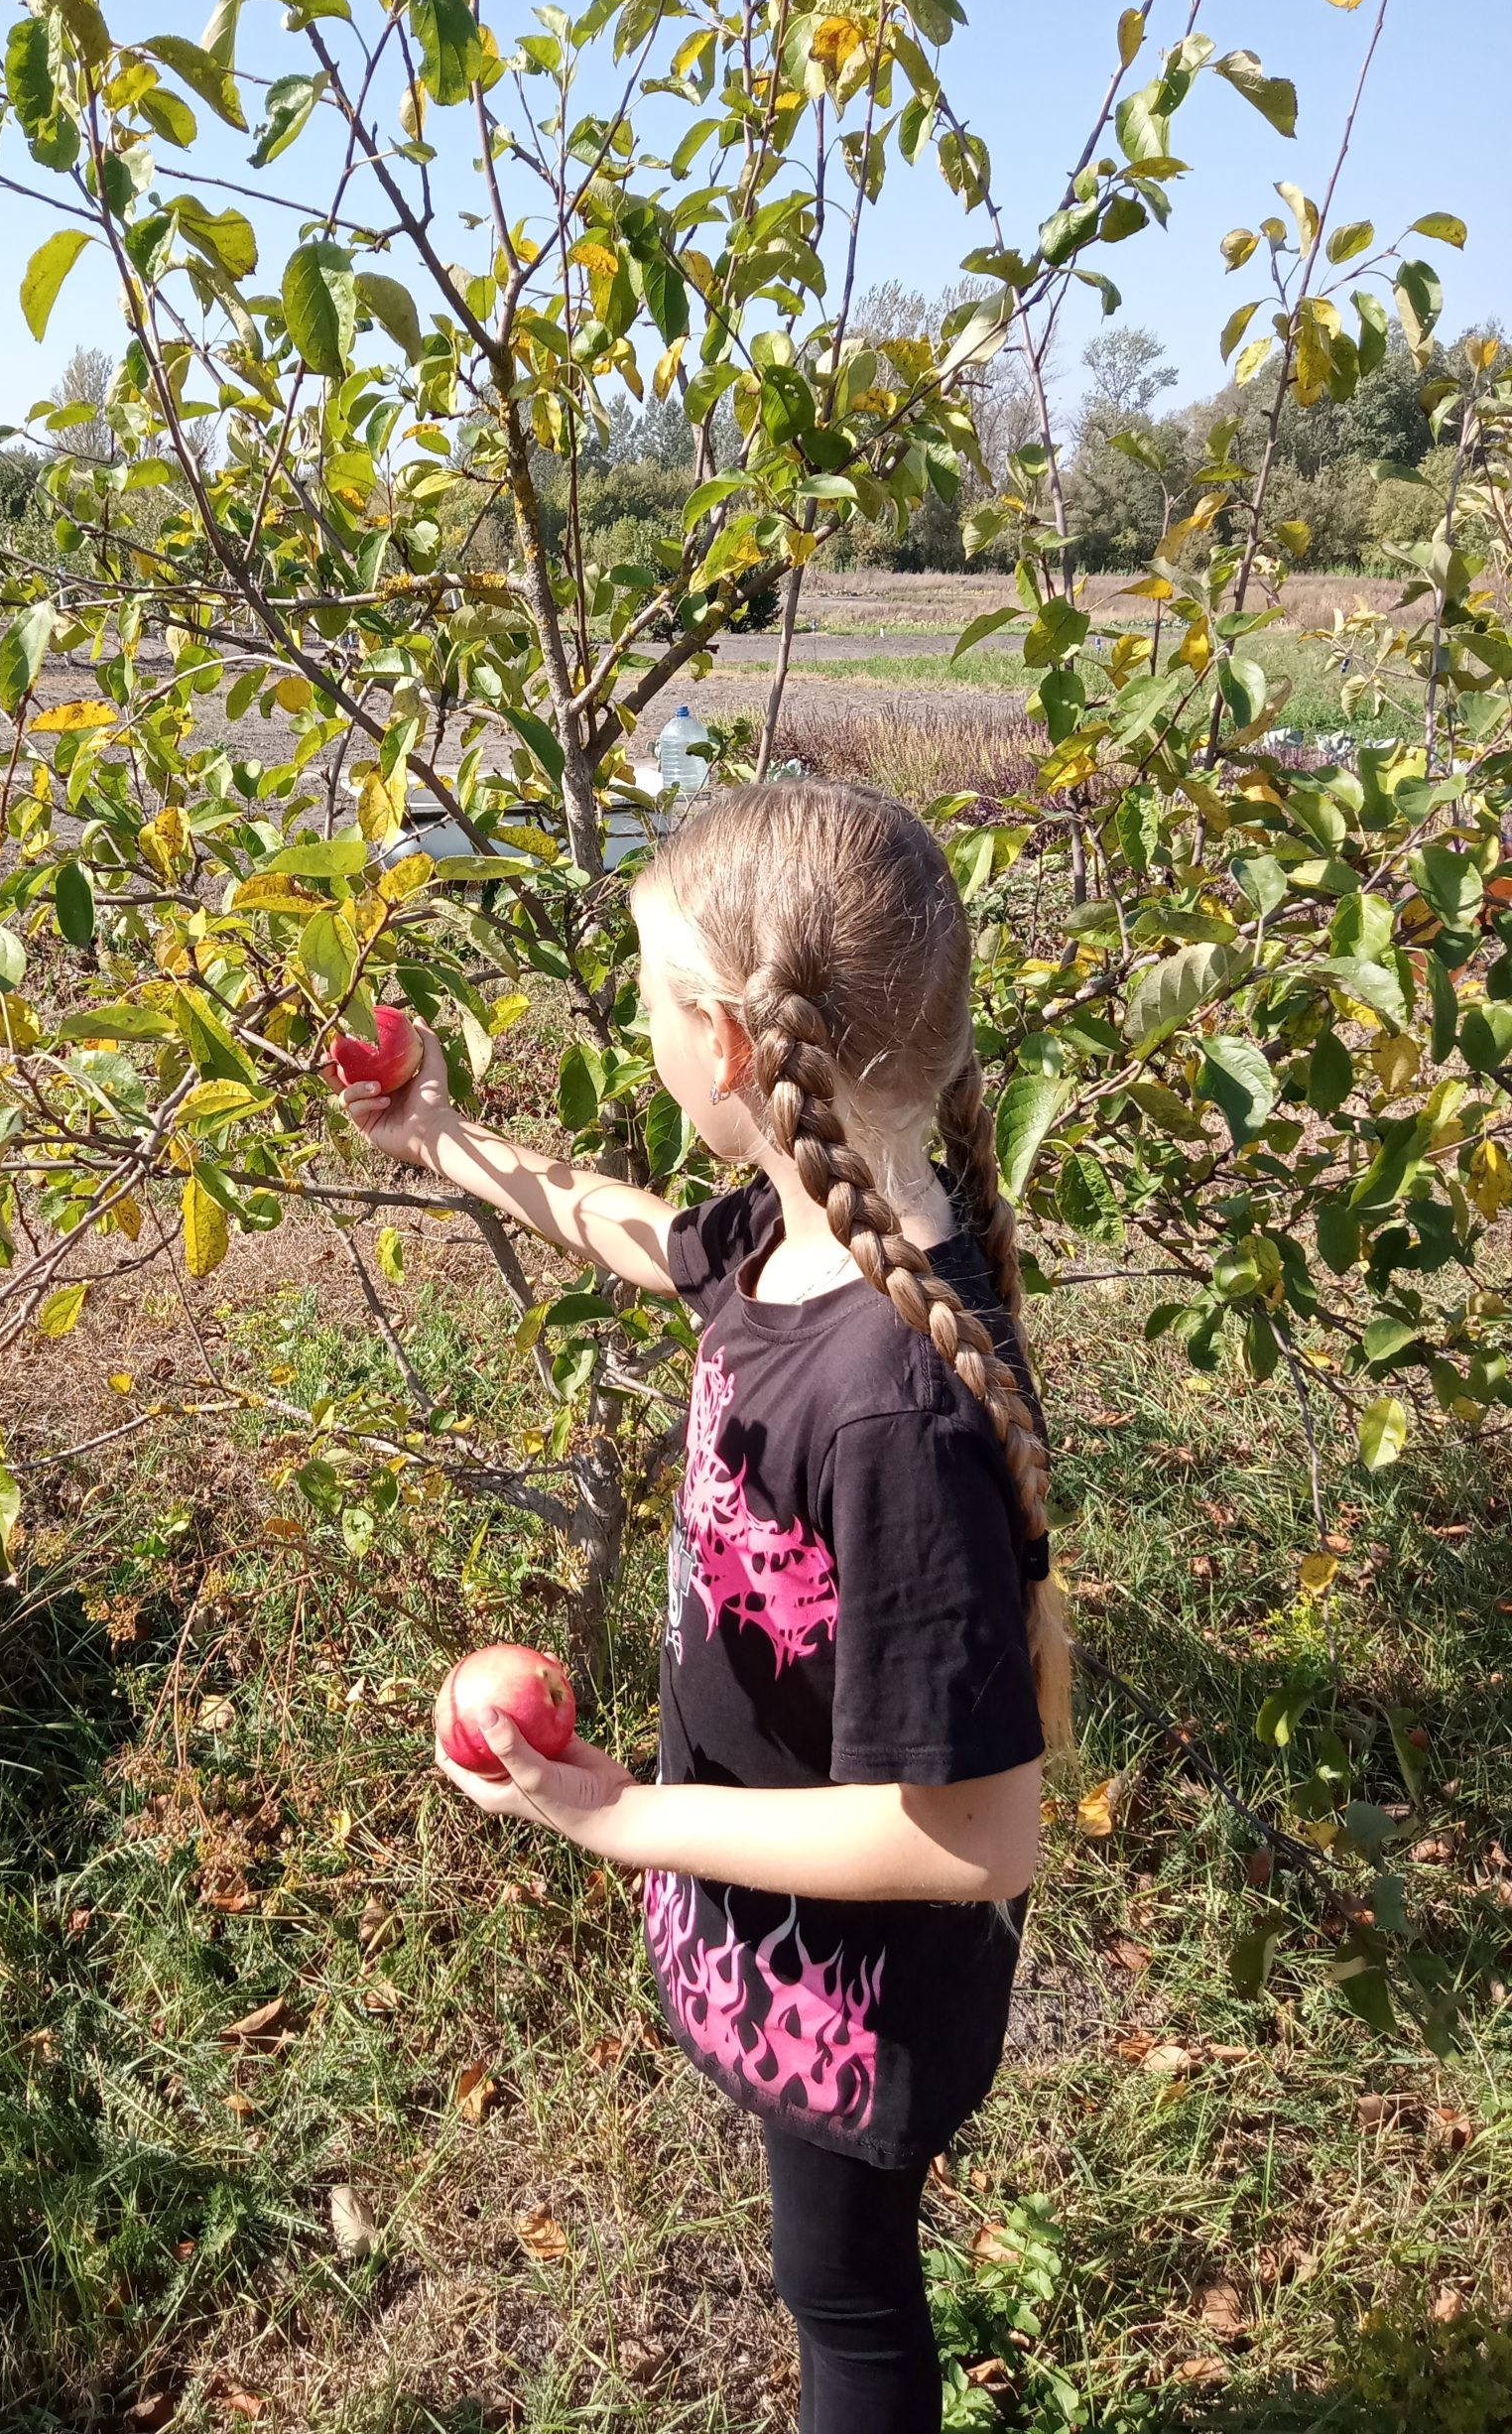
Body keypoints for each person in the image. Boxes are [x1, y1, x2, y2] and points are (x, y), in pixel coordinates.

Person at [333, 779, 1071, 2433]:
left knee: (846, 2297)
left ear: (728, 1047)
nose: (643, 1031)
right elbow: (638, 1232)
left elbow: (975, 1843)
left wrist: (611, 1816)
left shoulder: (892, 1402)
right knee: (828, 2262)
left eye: (653, 999)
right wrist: (447, 1139)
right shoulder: (807, 1235)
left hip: (857, 1989)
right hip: (782, 1930)